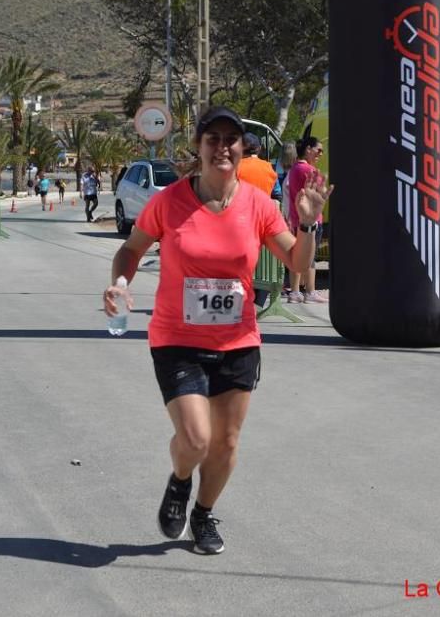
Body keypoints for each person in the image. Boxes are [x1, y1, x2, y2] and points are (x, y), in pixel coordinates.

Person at [102, 105, 333, 555]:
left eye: (232, 139)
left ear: (242, 149)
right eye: (213, 139)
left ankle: (203, 514)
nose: (222, 147)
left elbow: (300, 264)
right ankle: (180, 480)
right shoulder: (168, 202)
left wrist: (307, 223)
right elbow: (131, 250)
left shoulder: (258, 205)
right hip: (177, 340)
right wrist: (120, 284)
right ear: (199, 147)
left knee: (225, 443)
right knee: (196, 438)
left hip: (237, 342)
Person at [285, 138, 328, 303]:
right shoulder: (308, 170)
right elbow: (321, 191)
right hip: (310, 220)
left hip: (297, 219)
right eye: (318, 150)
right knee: (311, 258)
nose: (320, 154)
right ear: (308, 149)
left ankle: (295, 292)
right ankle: (309, 291)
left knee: (297, 256)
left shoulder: (295, 168)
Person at [236, 132, 278, 197]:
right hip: (265, 206)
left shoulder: (235, 168)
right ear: (259, 149)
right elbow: (277, 194)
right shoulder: (270, 168)